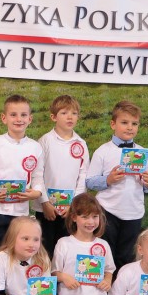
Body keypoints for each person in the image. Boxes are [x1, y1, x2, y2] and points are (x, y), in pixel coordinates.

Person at [85, 101, 148, 270]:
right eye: (124, 122)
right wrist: (108, 180)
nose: (130, 127)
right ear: (113, 124)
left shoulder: (143, 153)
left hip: (133, 212)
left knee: (127, 256)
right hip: (107, 211)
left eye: (134, 124)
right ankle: (104, 285)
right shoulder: (103, 151)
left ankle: (122, 286)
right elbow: (90, 181)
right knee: (105, 253)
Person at [0, 94, 44, 259]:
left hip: (20, 212)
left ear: (30, 119)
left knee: (18, 252)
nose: (18, 119)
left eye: (23, 115)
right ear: (4, 118)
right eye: (13, 115)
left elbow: (38, 176)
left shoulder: (35, 147)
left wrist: (37, 192)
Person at [52, 193, 117, 295]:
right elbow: (54, 272)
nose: (91, 222)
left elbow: (109, 269)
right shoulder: (64, 243)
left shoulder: (103, 245)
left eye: (95, 217)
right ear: (74, 217)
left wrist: (107, 280)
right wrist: (64, 277)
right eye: (85, 217)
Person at [33, 95, 89, 255]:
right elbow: (37, 174)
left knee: (65, 248)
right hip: (46, 209)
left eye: (74, 113)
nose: (70, 117)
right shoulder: (45, 141)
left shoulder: (81, 144)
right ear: (53, 117)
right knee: (44, 249)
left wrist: (74, 205)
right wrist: (44, 202)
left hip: (69, 209)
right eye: (64, 113)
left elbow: (83, 175)